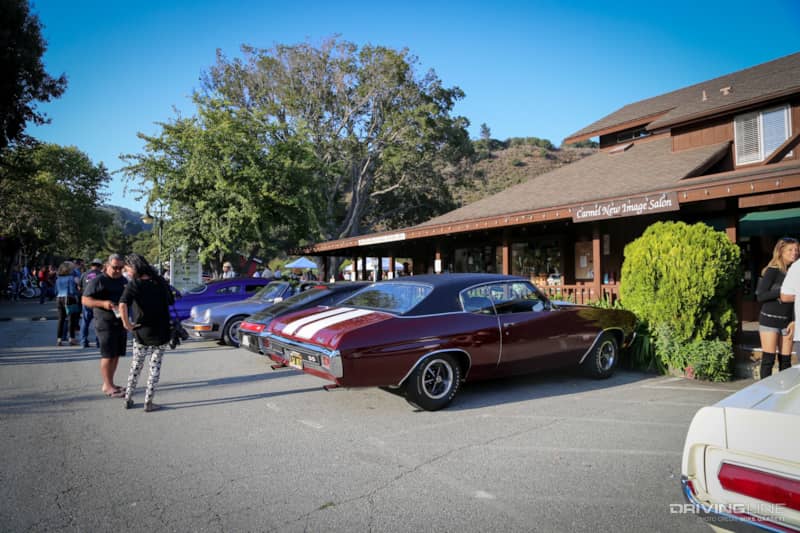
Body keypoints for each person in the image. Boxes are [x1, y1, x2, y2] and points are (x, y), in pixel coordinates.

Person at [118, 253, 174, 412]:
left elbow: (122, 305)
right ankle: (148, 402)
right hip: (161, 331)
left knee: (136, 365)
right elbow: (171, 301)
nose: (127, 273)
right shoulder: (160, 281)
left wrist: (127, 324)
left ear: (135, 268)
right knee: (155, 367)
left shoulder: (134, 285)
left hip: (141, 331)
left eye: (127, 269)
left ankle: (128, 398)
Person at [82, 254, 128, 397]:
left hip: (120, 321)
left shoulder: (123, 280)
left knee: (116, 355)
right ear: (107, 266)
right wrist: (103, 303)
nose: (118, 270)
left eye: (121, 268)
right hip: (104, 322)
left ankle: (110, 383)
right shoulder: (98, 280)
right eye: (115, 267)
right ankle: (107, 386)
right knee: (108, 355)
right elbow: (85, 300)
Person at [758, 237, 799, 378]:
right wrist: (782, 292)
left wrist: (794, 320)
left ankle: (783, 394)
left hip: (788, 322)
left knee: (786, 362)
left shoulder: (795, 272)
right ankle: (764, 394)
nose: (794, 252)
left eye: (796, 250)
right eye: (790, 249)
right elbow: (761, 295)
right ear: (781, 251)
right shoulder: (773, 270)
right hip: (770, 320)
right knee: (768, 359)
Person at [54, 261, 80, 345]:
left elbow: (55, 291)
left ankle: (59, 339)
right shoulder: (71, 278)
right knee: (71, 319)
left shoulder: (58, 279)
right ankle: (71, 338)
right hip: (69, 298)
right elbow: (72, 291)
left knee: (61, 319)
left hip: (59, 298)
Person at [78, 258, 103, 348]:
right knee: (98, 322)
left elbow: (79, 287)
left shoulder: (84, 274)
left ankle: (83, 342)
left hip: (86, 300)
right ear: (100, 266)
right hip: (97, 301)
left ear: (92, 265)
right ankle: (98, 342)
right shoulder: (102, 275)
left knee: (85, 321)